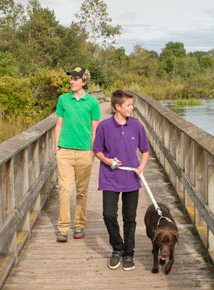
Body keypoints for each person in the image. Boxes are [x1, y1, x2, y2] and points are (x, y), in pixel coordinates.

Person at [93, 89, 150, 271]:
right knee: (108, 214)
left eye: (132, 105)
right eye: (129, 105)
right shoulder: (104, 126)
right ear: (118, 107)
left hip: (131, 177)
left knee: (130, 218)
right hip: (110, 177)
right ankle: (117, 248)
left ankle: (128, 254)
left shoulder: (137, 126)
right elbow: (97, 150)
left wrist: (142, 166)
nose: (132, 108)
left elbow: (145, 150)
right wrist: (109, 161)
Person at [54, 66, 101, 242]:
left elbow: (95, 129)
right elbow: (58, 124)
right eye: (71, 78)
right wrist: (56, 148)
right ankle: (63, 228)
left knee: (81, 191)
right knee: (65, 190)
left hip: (84, 153)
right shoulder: (63, 100)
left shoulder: (93, 103)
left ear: (84, 82)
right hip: (64, 151)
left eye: (75, 78)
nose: (71, 81)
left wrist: (93, 151)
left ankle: (79, 224)